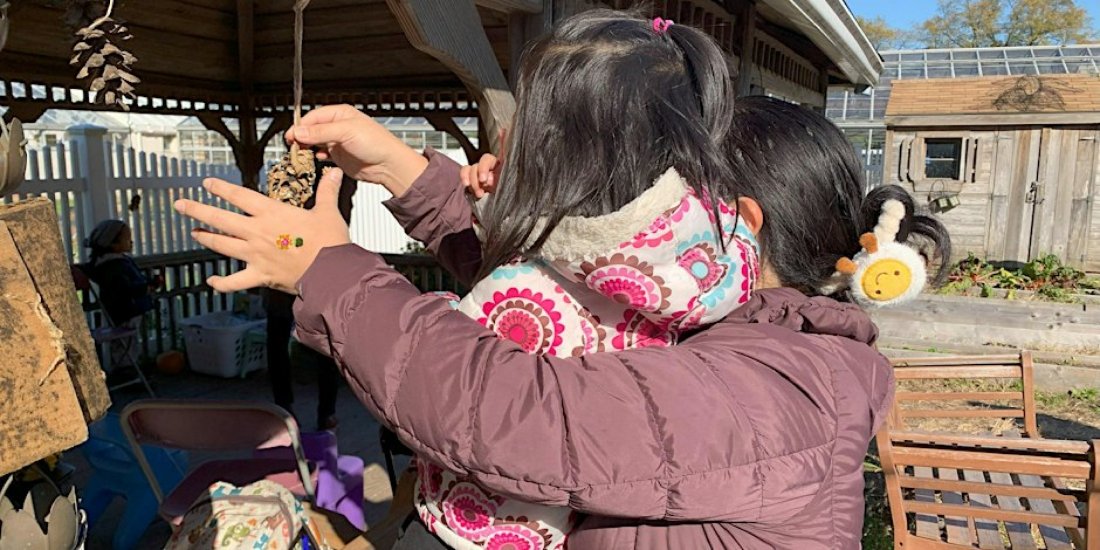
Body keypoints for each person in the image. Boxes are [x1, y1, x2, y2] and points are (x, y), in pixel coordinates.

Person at [174, 17, 950, 550]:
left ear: (735, 224)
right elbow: (555, 310)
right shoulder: (721, 324)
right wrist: (402, 172)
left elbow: (522, 411)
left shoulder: (783, 388)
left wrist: (329, 271)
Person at [265, 166, 357, 432]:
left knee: (322, 348)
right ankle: (289, 408)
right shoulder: (285, 195)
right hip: (287, 282)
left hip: (315, 280)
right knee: (286, 344)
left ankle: (321, 411)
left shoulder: (334, 189)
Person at [85, 219, 158, 327]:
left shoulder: (114, 263)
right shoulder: (114, 267)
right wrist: (146, 287)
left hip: (127, 311)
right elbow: (124, 289)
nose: (131, 242)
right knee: (126, 339)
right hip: (126, 312)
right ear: (114, 244)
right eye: (127, 239)